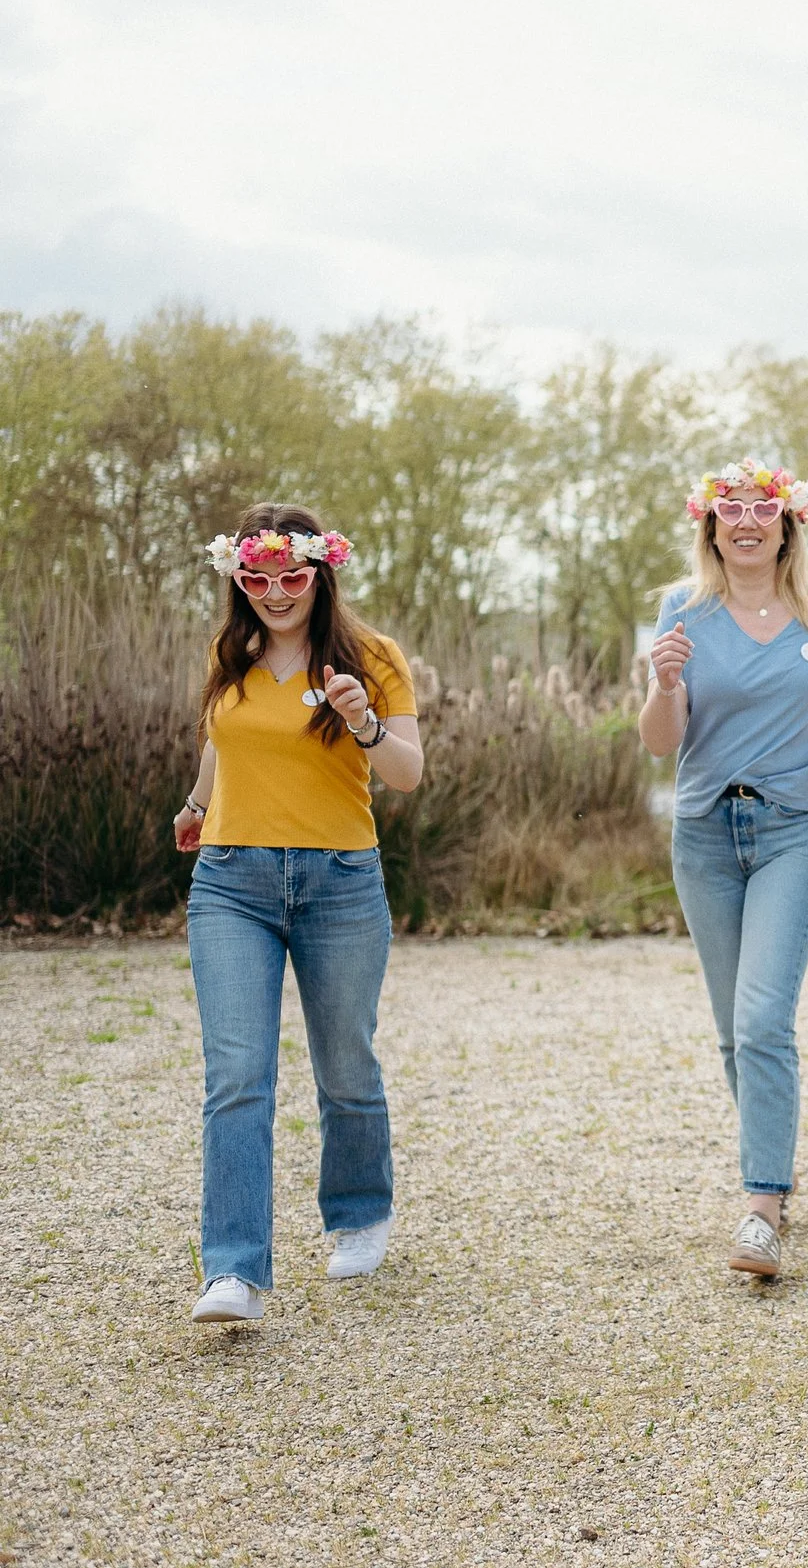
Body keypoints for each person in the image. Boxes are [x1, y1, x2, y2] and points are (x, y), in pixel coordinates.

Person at [178, 507, 424, 1324]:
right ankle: (233, 1268)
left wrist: (363, 721)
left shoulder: (374, 657)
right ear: (237, 578)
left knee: (345, 1064)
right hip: (229, 879)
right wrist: (196, 801)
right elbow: (224, 738)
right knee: (237, 1076)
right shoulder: (229, 653)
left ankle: (358, 1210)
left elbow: (407, 774)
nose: (275, 592)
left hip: (340, 881)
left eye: (291, 575)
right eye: (257, 577)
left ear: (322, 572)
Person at [639, 458, 808, 1280]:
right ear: (710, 524)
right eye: (729, 509)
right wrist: (664, 682)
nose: (745, 521)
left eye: (760, 509)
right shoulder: (683, 609)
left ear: (786, 522)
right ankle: (777, 1163)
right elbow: (663, 741)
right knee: (736, 1028)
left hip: (798, 825)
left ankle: (762, 1207)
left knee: (765, 1016)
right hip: (704, 830)